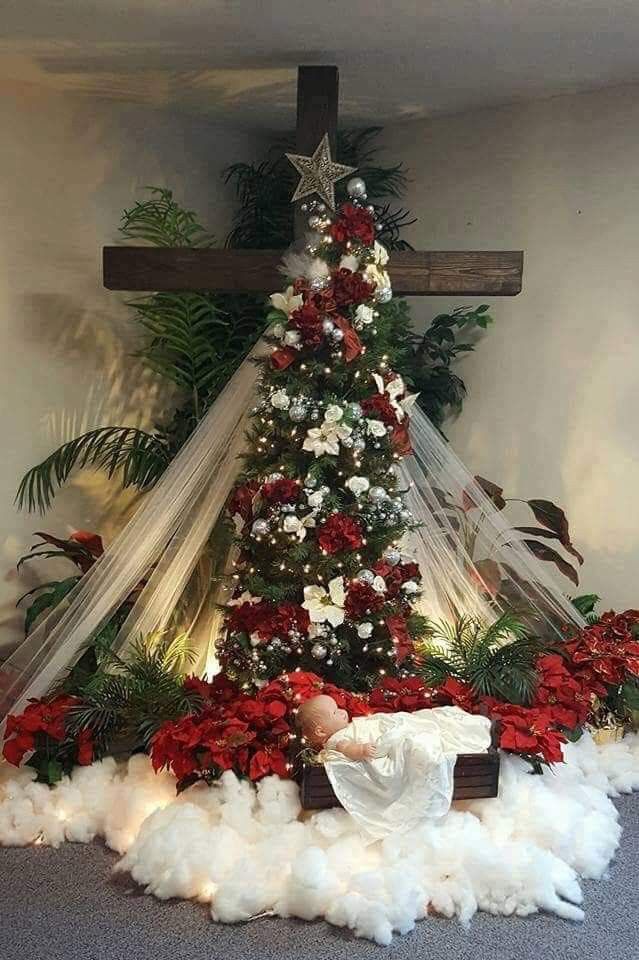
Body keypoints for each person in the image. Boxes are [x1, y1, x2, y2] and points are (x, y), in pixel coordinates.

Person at [297, 694, 491, 839]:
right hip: (371, 745)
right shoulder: (337, 740)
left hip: (373, 731)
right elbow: (348, 749)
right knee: (412, 741)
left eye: (338, 707)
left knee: (414, 722)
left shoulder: (342, 730)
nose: (342, 711)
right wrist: (362, 750)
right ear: (321, 730)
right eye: (334, 712)